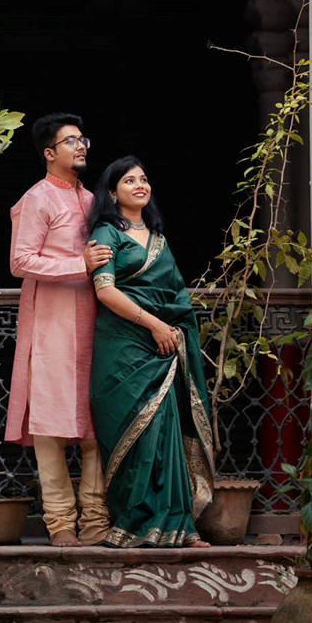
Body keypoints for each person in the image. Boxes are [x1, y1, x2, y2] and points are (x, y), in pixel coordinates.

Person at [87, 156, 214, 548]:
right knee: (138, 435)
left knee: (167, 434)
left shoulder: (159, 239)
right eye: (129, 181)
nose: (140, 185)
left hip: (165, 348)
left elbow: (177, 294)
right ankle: (134, 523)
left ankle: (180, 526)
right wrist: (154, 324)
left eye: (144, 179)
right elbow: (105, 291)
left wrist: (172, 327)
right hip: (124, 347)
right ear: (112, 192)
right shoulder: (108, 233)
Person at [4, 112, 113, 546]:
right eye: (70, 141)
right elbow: (20, 261)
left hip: (96, 323)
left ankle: (96, 520)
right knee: (50, 428)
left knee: (94, 426)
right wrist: (78, 264)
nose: (81, 145)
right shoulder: (38, 199)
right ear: (50, 153)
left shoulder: (94, 200)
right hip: (50, 324)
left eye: (82, 139)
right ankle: (60, 523)